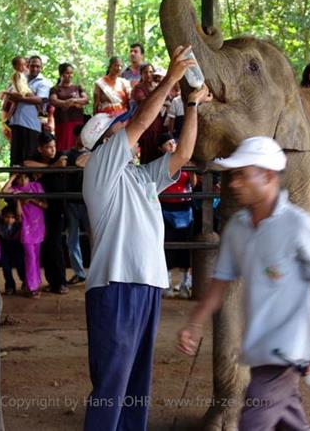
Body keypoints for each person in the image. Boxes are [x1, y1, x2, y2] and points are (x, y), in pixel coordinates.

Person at [79, 46, 212, 431]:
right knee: (112, 384)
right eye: (121, 126)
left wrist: (192, 106)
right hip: (115, 284)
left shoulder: (139, 177)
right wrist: (169, 79)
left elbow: (184, 153)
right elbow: (138, 123)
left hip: (147, 284)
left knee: (137, 383)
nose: (131, 130)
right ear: (107, 140)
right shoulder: (101, 169)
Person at [178, 136, 310, 431]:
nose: (234, 183)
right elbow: (221, 281)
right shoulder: (238, 227)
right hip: (260, 349)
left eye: (242, 174)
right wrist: (195, 322)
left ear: (267, 176)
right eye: (233, 175)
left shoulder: (300, 226)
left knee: (254, 421)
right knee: (289, 422)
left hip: (289, 351)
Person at [24, 132, 69, 294]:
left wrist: (43, 170)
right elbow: (27, 163)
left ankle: (61, 282)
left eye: (53, 147)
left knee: (55, 244)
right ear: (40, 148)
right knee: (45, 245)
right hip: (40, 210)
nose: (52, 150)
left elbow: (62, 163)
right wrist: (51, 168)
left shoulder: (61, 155)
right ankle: (52, 282)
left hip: (57, 208)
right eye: (48, 148)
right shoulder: (35, 156)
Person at [158, 133, 196, 299]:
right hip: (165, 207)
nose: (172, 146)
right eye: (168, 144)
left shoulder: (185, 163)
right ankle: (165, 283)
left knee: (185, 247)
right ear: (161, 148)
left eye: (173, 143)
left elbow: (193, 184)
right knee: (166, 246)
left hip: (184, 207)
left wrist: (191, 168)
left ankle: (184, 284)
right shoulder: (159, 165)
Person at [3, 173, 47, 298]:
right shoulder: (16, 189)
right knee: (30, 257)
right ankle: (31, 287)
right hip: (25, 227)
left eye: (25, 177)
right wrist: (12, 177)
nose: (22, 180)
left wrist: (31, 199)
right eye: (19, 178)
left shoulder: (36, 186)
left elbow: (45, 205)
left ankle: (35, 283)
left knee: (36, 257)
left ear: (29, 178)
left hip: (38, 225)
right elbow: (4, 190)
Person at [7, 55, 51, 166]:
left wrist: (21, 98)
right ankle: (15, 183)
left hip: (31, 125)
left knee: (29, 158)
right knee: (15, 159)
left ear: (42, 67)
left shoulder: (44, 82)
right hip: (16, 123)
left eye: (38, 66)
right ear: (28, 66)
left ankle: (30, 183)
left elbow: (41, 100)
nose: (35, 68)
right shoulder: (19, 78)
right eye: (32, 66)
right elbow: (11, 94)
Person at [65, 124, 90, 284]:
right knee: (72, 240)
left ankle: (96, 271)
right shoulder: (68, 155)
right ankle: (80, 272)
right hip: (72, 202)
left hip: (88, 202)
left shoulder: (93, 153)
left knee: (95, 238)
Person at [49, 63, 88, 151]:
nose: (70, 75)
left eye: (71, 73)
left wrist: (73, 101)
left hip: (77, 120)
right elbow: (53, 101)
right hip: (62, 121)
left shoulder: (77, 87)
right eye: (67, 73)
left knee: (78, 142)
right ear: (61, 74)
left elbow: (85, 99)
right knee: (63, 144)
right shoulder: (55, 89)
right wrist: (66, 102)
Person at [131, 63, 166, 163]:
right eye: (145, 72)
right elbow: (144, 102)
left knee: (160, 150)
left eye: (151, 71)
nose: (148, 74)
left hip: (160, 123)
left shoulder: (157, 86)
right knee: (148, 152)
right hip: (146, 125)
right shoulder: (138, 88)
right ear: (141, 74)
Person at [0, 204, 25, 296]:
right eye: (7, 217)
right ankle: (10, 286)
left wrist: (18, 202)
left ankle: (25, 281)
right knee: (6, 268)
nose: (9, 219)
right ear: (3, 217)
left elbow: (20, 215)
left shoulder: (17, 224)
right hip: (5, 247)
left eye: (12, 217)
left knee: (20, 266)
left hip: (17, 247)